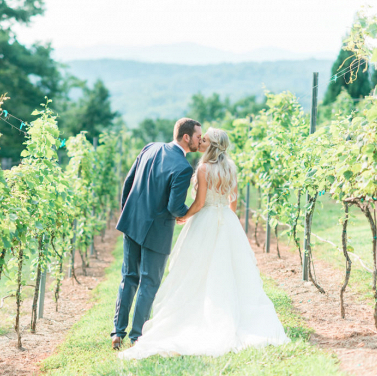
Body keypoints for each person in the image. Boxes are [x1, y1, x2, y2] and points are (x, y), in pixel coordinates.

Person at [119, 127, 290, 359]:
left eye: (205, 139)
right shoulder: (231, 168)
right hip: (226, 221)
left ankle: (126, 330)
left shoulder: (202, 168)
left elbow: (199, 203)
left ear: (211, 145)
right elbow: (233, 202)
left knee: (193, 270)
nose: (201, 141)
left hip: (205, 219)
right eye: (201, 137)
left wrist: (185, 216)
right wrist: (227, 222)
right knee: (229, 271)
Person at [111, 118, 202, 350]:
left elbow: (128, 182)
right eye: (197, 136)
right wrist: (187, 213)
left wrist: (128, 211)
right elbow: (174, 207)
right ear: (186, 137)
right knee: (149, 281)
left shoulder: (149, 147)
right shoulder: (183, 168)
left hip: (132, 221)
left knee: (128, 277)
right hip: (157, 231)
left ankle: (117, 333)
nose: (199, 140)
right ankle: (137, 336)